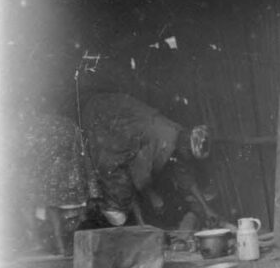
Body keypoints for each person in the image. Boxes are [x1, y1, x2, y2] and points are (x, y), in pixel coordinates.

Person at [82, 93, 216, 228]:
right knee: (118, 199)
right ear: (186, 144)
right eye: (189, 154)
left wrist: (207, 209)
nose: (188, 158)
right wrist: (153, 197)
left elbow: (185, 176)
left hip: (118, 116)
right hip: (104, 117)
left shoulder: (180, 136)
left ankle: (136, 222)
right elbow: (138, 175)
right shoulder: (163, 140)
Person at [5, 112, 100, 256]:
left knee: (34, 204)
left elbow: (25, 154)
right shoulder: (69, 124)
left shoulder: (34, 127)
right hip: (71, 179)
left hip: (48, 179)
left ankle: (42, 243)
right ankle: (65, 246)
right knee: (63, 212)